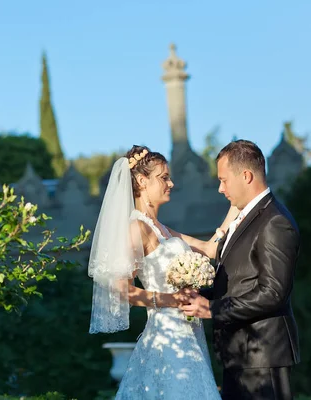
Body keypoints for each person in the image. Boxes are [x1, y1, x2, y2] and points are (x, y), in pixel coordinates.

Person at [88, 145, 237, 399]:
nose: (171, 183)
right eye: (163, 177)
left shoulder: (163, 229)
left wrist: (236, 203)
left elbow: (210, 248)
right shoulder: (136, 228)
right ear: (142, 181)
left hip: (190, 331)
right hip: (166, 335)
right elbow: (120, 287)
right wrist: (168, 299)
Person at [181, 140, 300, 400]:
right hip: (239, 353)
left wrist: (211, 309)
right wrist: (201, 294)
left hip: (261, 356)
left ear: (246, 176)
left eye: (224, 180)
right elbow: (238, 282)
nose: (220, 189)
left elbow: (273, 293)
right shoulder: (245, 217)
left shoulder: (275, 221)